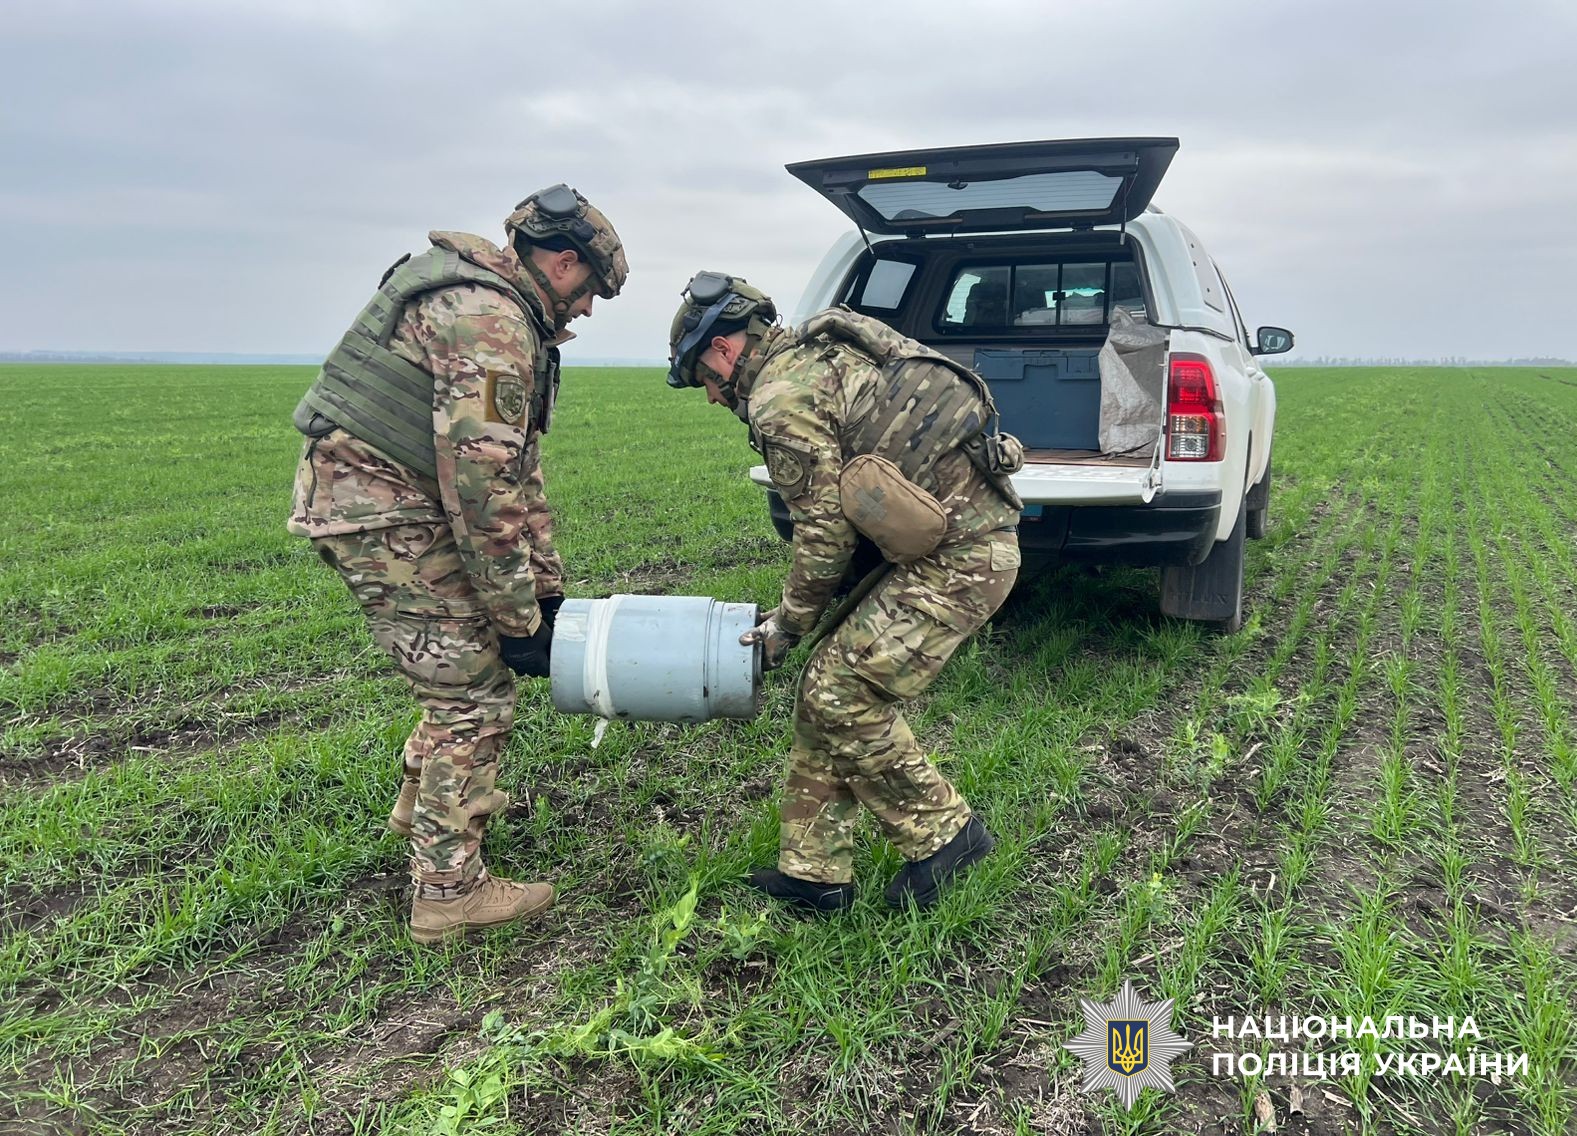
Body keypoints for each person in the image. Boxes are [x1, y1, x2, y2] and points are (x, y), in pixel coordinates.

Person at [287, 185, 627, 943]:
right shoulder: (492, 321)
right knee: (472, 700)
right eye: (591, 291)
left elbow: (517, 470)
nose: (588, 309)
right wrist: (515, 619)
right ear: (562, 262)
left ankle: (419, 809)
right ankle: (447, 893)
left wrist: (545, 586)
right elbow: (480, 487)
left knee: (457, 676)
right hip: (391, 518)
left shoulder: (483, 302)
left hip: (378, 509)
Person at [666, 272, 1023, 911]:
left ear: (722, 351)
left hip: (961, 561)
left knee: (840, 692)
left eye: (705, 383)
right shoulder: (819, 351)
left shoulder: (780, 399)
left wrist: (787, 625)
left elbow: (823, 534)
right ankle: (813, 874)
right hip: (953, 546)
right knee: (824, 689)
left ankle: (946, 836)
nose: (715, 399)